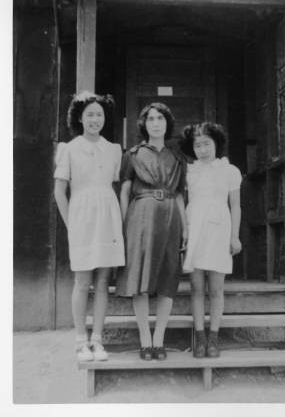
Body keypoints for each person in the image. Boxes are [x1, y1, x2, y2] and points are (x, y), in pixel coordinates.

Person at [54, 90, 125, 362]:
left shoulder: (113, 149)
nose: (95, 119)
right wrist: (71, 224)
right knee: (82, 281)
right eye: (90, 114)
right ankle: (80, 341)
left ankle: (97, 340)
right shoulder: (69, 149)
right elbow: (60, 192)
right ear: (80, 118)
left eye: (99, 114)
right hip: (81, 216)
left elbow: (115, 184)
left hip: (107, 214)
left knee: (104, 280)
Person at [116, 102, 188, 361]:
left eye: (161, 118)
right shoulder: (133, 154)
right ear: (144, 125)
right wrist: (124, 226)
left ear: (167, 124)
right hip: (141, 218)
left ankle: (159, 340)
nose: (156, 123)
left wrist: (185, 226)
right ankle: (145, 339)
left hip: (170, 217)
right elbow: (125, 191)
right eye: (151, 119)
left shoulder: (178, 158)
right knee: (141, 279)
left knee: (167, 279)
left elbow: (180, 194)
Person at [180, 122, 242, 358]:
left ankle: (214, 336)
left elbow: (235, 206)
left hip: (219, 230)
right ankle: (200, 336)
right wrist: (184, 232)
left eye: (207, 143)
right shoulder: (189, 171)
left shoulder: (229, 171)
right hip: (195, 228)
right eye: (197, 145)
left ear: (216, 144)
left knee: (216, 289)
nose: (202, 149)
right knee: (196, 287)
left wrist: (234, 236)